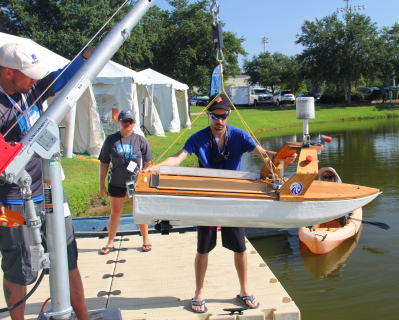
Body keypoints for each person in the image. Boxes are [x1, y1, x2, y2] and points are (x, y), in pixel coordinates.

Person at [147, 92, 297, 313]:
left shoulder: (240, 136)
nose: (219, 121)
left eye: (223, 116)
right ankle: (199, 292)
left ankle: (244, 290)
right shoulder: (198, 138)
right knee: (203, 248)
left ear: (228, 116)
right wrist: (155, 167)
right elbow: (178, 158)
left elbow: (263, 155)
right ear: (208, 115)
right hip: (206, 198)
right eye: (215, 116)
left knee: (240, 246)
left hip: (232, 198)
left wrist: (283, 157)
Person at [0, 43, 93, 320]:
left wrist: (85, 56)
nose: (34, 80)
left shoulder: (30, 89)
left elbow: (61, 77)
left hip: (50, 191)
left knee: (66, 255)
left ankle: (83, 316)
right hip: (10, 203)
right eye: (28, 74)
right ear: (8, 73)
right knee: (17, 263)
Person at [98, 109, 153, 254]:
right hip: (116, 182)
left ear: (134, 123)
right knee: (115, 212)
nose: (128, 124)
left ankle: (146, 240)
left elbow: (148, 163)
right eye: (125, 121)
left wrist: (146, 177)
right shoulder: (111, 140)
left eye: (131, 121)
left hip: (134, 183)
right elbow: (104, 162)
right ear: (119, 122)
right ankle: (110, 242)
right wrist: (101, 184)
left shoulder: (140, 140)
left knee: (139, 212)